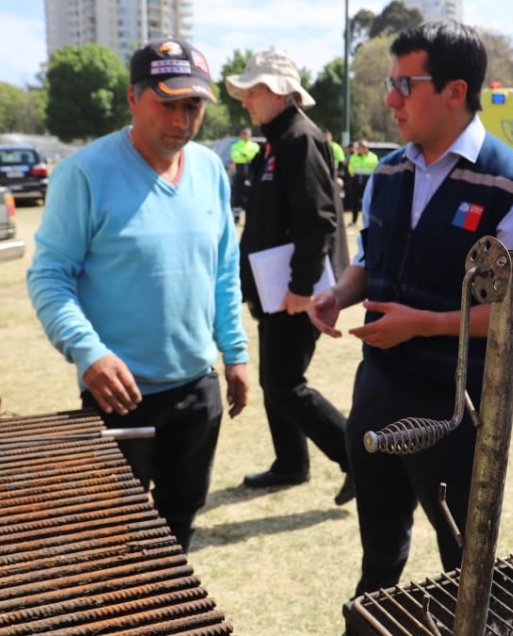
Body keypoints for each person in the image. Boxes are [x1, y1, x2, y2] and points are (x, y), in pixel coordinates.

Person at [307, 20, 513, 595]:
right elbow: (371, 257)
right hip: (378, 389)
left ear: (455, 91)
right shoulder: (388, 170)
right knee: (379, 557)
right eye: (390, 84)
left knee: (464, 567)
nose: (390, 98)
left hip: (459, 407)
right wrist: (338, 295)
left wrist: (425, 325)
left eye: (405, 83)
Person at [27, 38, 250, 551]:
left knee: (180, 521)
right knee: (117, 538)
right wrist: (89, 353)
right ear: (133, 98)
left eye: (193, 105)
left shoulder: (211, 170)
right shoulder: (84, 174)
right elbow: (50, 276)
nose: (181, 119)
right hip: (119, 396)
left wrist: (234, 352)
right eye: (167, 103)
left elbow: (222, 268)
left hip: (197, 389)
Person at [224, 48, 354, 505]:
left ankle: (356, 458)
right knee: (276, 381)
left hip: (295, 290)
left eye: (252, 90)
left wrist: (301, 288)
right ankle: (291, 463)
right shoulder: (278, 140)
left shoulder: (299, 138)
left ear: (279, 91)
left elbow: (316, 219)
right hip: (276, 287)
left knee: (283, 384)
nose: (245, 100)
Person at [346, 139, 380, 225]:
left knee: (369, 202)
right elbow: (350, 169)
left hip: (368, 181)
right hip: (356, 180)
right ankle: (354, 221)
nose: (364, 149)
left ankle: (370, 221)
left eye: (365, 147)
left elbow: (376, 169)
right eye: (361, 147)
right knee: (355, 202)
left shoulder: (373, 157)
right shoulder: (353, 157)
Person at [228, 127, 259, 216]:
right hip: (240, 168)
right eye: (244, 134)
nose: (246, 136)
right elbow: (235, 156)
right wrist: (247, 155)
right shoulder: (236, 145)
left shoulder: (254, 145)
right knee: (238, 190)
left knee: (252, 190)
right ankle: (236, 212)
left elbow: (255, 155)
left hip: (251, 168)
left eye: (248, 135)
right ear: (241, 135)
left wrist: (245, 154)